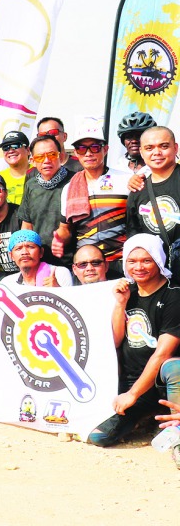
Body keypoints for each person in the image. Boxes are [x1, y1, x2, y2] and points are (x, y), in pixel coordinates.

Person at [89, 233, 180, 449]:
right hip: (135, 381)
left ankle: (175, 425)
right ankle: (150, 414)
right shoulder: (126, 292)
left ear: (158, 260)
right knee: (98, 436)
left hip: (164, 381)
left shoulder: (174, 295)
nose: (138, 267)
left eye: (146, 260)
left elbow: (163, 353)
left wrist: (132, 394)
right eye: (132, 261)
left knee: (173, 365)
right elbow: (116, 340)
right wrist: (120, 304)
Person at [55, 121, 129, 265]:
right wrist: (59, 239)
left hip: (121, 261)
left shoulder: (125, 179)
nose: (88, 153)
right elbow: (65, 229)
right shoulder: (69, 188)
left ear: (105, 149)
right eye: (82, 148)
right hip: (86, 265)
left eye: (95, 147)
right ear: (76, 152)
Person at [125, 126, 180, 278]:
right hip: (157, 276)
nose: (157, 152)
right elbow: (134, 236)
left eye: (164, 146)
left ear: (175, 148)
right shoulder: (137, 189)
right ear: (142, 152)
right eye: (149, 148)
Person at [19, 134, 73, 265]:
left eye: (52, 155)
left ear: (60, 156)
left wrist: (61, 239)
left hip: (71, 261)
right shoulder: (31, 185)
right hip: (40, 261)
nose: (47, 160)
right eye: (40, 157)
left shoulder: (75, 181)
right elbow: (27, 226)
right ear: (32, 160)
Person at [2, 229, 73, 286]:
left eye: (30, 247)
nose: (24, 252)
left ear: (41, 252)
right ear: (11, 256)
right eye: (18, 248)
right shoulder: (8, 283)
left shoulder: (60, 274)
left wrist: (57, 289)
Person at [0, 131, 31, 205]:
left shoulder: (39, 173)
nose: (11, 151)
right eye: (6, 148)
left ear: (28, 150)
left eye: (16, 146)